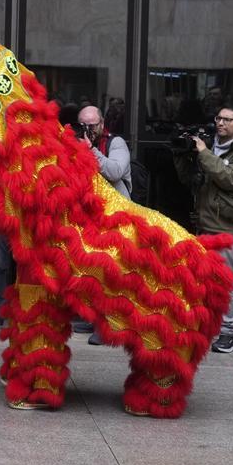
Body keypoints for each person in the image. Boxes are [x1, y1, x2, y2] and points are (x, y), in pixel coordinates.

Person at [174, 102, 233, 353]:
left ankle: (230, 333)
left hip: (230, 228)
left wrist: (203, 153)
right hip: (205, 223)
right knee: (203, 280)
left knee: (229, 281)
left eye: (227, 120)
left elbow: (229, 178)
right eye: (218, 118)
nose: (220, 123)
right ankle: (207, 327)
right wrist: (181, 156)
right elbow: (191, 180)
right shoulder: (209, 145)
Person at [72, 105, 134, 344]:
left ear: (101, 123)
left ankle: (108, 323)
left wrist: (90, 151)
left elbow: (116, 171)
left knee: (112, 272)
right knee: (93, 269)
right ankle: (93, 317)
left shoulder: (115, 143)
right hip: (91, 216)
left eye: (93, 125)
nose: (89, 129)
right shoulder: (76, 142)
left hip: (116, 216)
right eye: (83, 125)